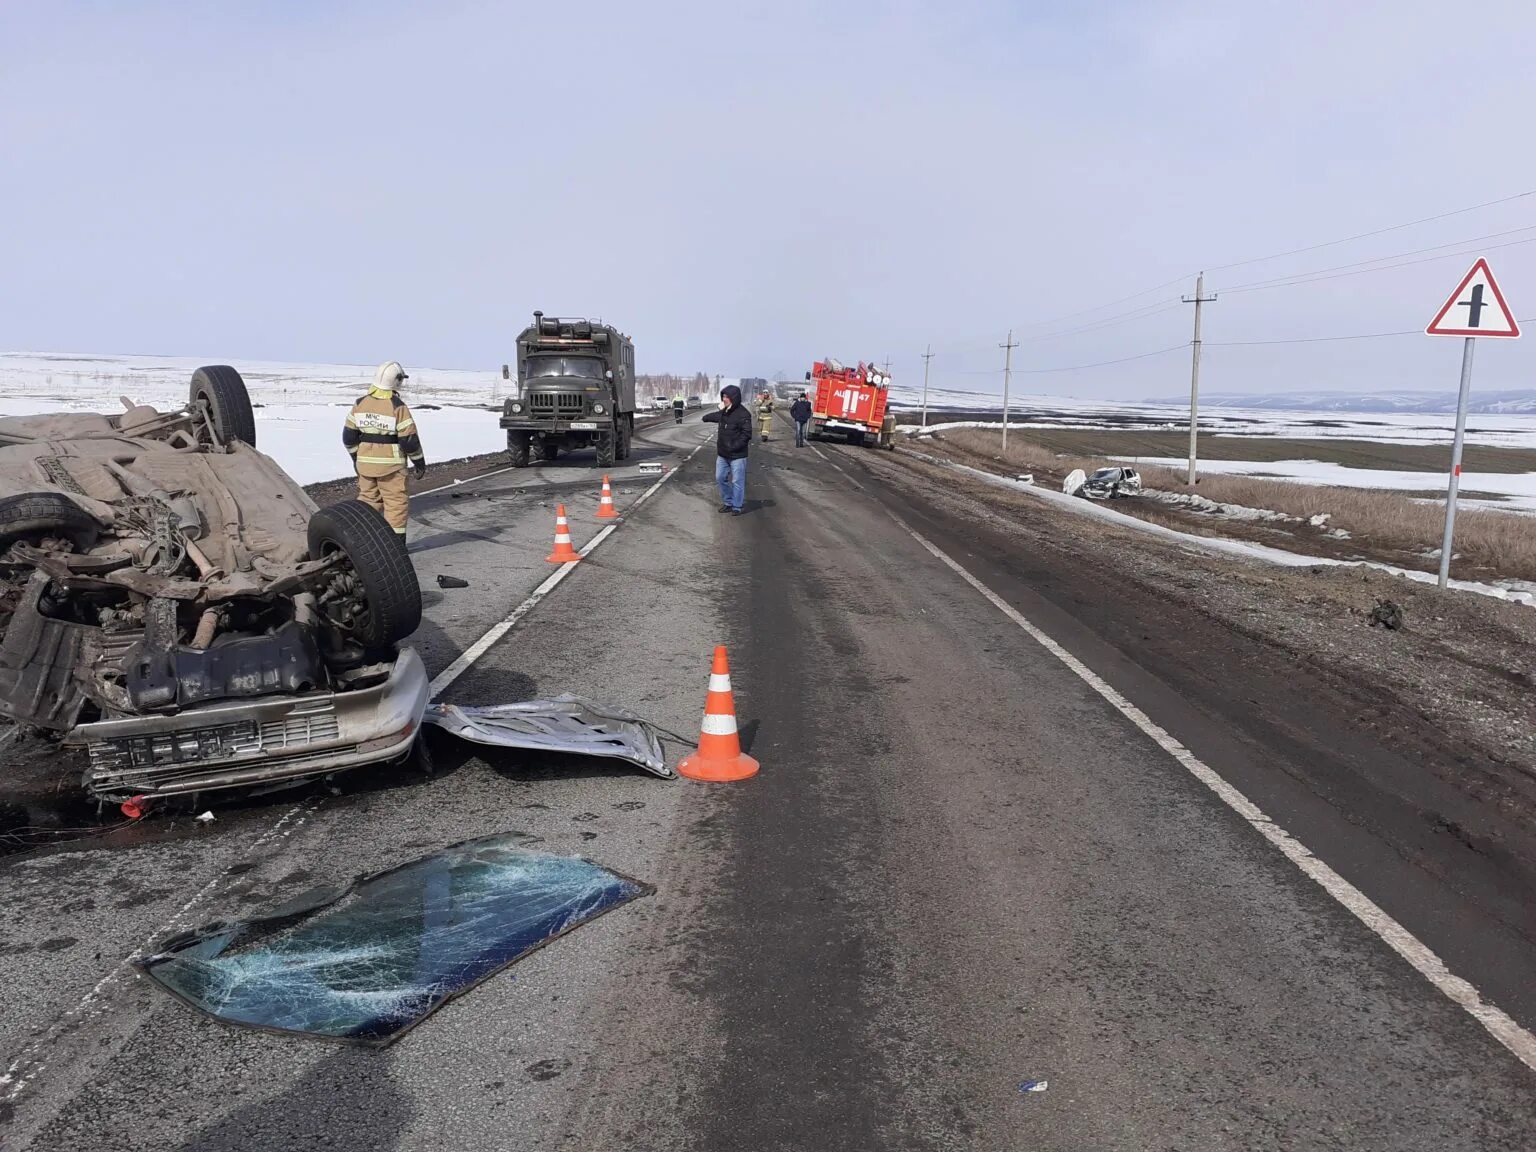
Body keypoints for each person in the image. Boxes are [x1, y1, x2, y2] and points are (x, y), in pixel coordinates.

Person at [343, 361, 426, 539]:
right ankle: (395, 547)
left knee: (367, 503)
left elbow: (348, 437)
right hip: (392, 468)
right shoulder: (397, 406)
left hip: (365, 466)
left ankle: (362, 544)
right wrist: (419, 463)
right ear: (396, 381)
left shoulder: (360, 404)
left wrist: (356, 459)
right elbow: (409, 441)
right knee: (396, 506)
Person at [701, 384, 752, 515]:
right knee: (720, 478)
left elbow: (746, 435)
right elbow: (716, 416)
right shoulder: (725, 412)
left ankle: (736, 506)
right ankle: (728, 502)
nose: (724, 399)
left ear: (733, 398)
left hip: (738, 456)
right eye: (723, 396)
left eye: (726, 397)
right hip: (723, 455)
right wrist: (706, 417)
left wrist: (734, 447)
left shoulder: (743, 414)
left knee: (737, 481)